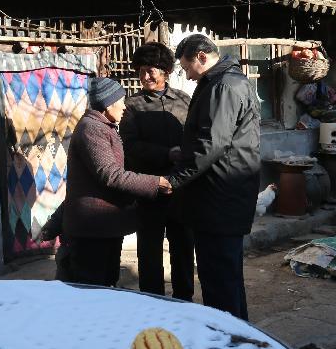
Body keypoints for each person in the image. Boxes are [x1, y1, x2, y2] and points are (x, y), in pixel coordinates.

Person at [165, 34, 260, 319]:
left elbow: (212, 144)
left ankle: (229, 344)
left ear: (202, 57)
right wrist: (183, 152)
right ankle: (239, 337)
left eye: (187, 68)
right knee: (227, 278)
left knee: (219, 280)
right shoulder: (224, 82)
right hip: (222, 195)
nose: (187, 75)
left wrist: (176, 179)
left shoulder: (224, 86)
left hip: (220, 198)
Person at [63, 76, 171, 287]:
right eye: (121, 102)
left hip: (104, 227)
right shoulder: (92, 129)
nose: (124, 108)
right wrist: (154, 182)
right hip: (92, 230)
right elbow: (110, 175)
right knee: (92, 290)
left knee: (106, 285)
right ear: (107, 104)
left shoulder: (104, 127)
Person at [119, 42, 195, 301]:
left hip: (182, 188)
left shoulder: (184, 101)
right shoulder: (132, 105)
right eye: (141, 71)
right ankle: (152, 300)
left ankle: (184, 298)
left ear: (165, 71)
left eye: (151, 70)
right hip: (149, 188)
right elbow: (130, 146)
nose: (146, 76)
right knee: (149, 250)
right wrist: (166, 153)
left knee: (183, 247)